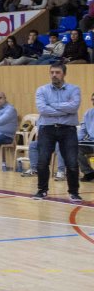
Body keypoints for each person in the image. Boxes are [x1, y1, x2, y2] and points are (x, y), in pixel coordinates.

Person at [33, 63, 82, 202]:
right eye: (52, 72)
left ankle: (74, 192)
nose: (54, 75)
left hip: (68, 129)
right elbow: (43, 110)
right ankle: (42, 191)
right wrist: (64, 109)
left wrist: (52, 106)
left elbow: (74, 107)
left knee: (72, 162)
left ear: (64, 74)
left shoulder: (74, 89)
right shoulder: (42, 90)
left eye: (57, 72)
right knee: (42, 161)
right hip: (47, 129)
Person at [77, 95, 94, 182]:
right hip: (91, 142)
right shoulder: (88, 113)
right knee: (75, 147)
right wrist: (76, 140)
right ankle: (89, 173)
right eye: (93, 100)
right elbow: (83, 130)